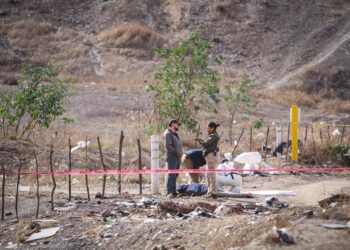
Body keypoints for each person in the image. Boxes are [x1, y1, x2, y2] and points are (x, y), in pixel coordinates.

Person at [194, 122, 220, 197]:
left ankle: (213, 192)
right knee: (209, 175)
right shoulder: (213, 135)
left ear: (212, 128)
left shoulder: (214, 136)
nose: (207, 129)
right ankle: (209, 192)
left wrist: (199, 139)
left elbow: (205, 144)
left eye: (208, 128)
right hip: (210, 156)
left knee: (211, 174)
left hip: (212, 156)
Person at [163, 119, 183, 198]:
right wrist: (175, 152)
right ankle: (169, 192)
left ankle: (174, 192)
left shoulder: (175, 134)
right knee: (171, 174)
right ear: (173, 124)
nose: (178, 126)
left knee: (175, 174)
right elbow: (168, 146)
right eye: (177, 124)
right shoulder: (167, 134)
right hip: (172, 156)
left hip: (177, 157)